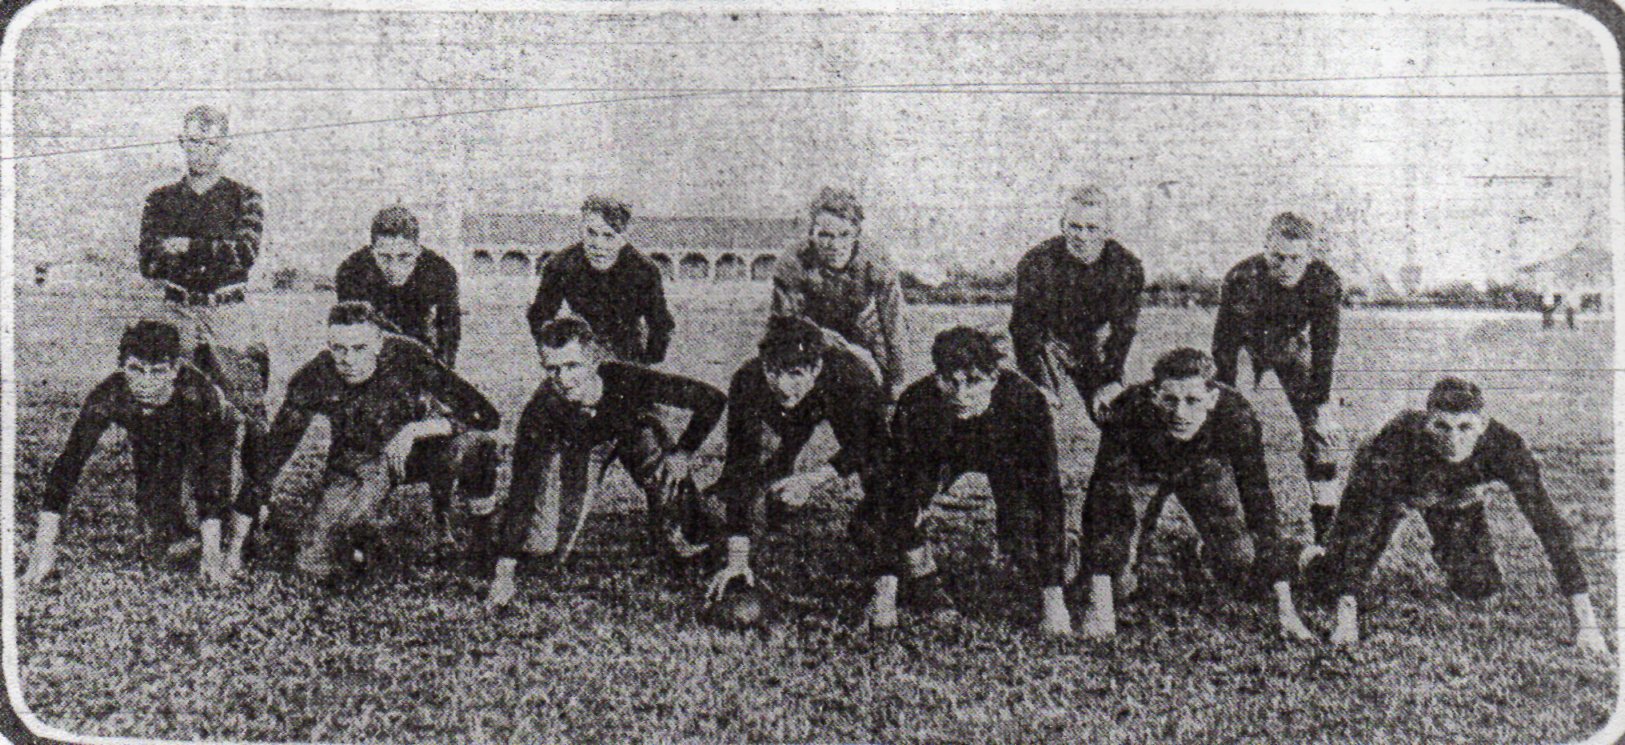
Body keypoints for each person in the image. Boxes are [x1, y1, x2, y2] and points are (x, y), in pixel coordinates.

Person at [1299, 377, 1606, 657]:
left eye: (1464, 428)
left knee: (1478, 585)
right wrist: (1347, 615)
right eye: (1442, 427)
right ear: (1427, 423)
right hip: (1395, 491)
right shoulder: (1398, 438)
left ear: (1483, 424)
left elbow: (1549, 525)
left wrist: (1586, 623)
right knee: (1328, 584)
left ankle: (1458, 549)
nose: (1453, 439)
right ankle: (1310, 555)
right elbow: (1363, 523)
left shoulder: (1505, 447)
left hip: (1454, 495)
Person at [239, 302, 500, 580]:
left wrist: (414, 431)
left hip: (418, 453)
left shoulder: (408, 355)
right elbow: (271, 457)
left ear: (379, 343)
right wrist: (234, 547)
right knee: (314, 565)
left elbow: (484, 414)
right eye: (338, 348)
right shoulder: (313, 378)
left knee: (478, 445)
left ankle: (482, 543)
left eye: (359, 348)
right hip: (357, 463)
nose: (349, 359)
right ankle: (367, 541)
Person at [486, 318, 727, 607]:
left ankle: (680, 526)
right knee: (543, 550)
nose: (563, 379)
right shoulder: (540, 412)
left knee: (657, 456)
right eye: (553, 369)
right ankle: (496, 526)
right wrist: (504, 572)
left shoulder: (626, 379)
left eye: (573, 365)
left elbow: (711, 398)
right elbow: (523, 487)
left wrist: (683, 452)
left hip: (633, 433)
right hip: (580, 450)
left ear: (594, 361)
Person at [1077, 348, 1312, 641]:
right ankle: (1127, 554)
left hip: (1203, 467)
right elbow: (1102, 502)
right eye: (1170, 400)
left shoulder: (1237, 415)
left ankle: (1204, 550)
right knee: (1117, 587)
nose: (1180, 413)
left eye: (1193, 401)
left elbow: (1260, 506)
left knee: (1243, 567)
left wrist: (1287, 612)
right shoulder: (1127, 410)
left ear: (1212, 399)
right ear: (1153, 395)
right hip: (1144, 468)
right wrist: (1099, 606)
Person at [865, 326, 1072, 636]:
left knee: (1024, 534)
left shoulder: (1027, 402)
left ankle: (1066, 555)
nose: (961, 395)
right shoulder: (917, 403)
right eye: (951, 381)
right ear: (937, 377)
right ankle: (926, 582)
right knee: (871, 520)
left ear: (994, 377)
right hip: (943, 453)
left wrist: (1055, 603)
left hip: (1004, 457)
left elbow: (1048, 494)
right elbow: (895, 491)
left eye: (973, 382)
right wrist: (885, 592)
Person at [22, 321, 252, 588]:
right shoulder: (109, 394)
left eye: (157, 372)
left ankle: (238, 538)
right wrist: (44, 545)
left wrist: (212, 555)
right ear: (121, 367)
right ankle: (184, 528)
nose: (146, 382)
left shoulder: (195, 395)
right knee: (160, 544)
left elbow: (212, 472)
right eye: (136, 370)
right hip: (155, 433)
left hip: (216, 430)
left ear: (175, 370)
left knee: (225, 501)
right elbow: (69, 464)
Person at [696, 316, 892, 608]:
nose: (784, 386)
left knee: (882, 478)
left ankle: (886, 541)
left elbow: (870, 446)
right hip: (795, 409)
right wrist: (738, 557)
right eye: (774, 371)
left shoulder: (851, 378)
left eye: (795, 373)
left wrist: (814, 479)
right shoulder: (749, 379)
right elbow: (740, 463)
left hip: (836, 393)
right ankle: (766, 509)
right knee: (745, 497)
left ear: (816, 368)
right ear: (763, 363)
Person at [1212, 211, 1345, 544]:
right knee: (1233, 427)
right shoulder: (1242, 277)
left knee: (1322, 432)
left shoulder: (1324, 281)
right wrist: (1227, 393)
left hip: (1290, 346)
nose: (1285, 266)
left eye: (1295, 258)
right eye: (1277, 257)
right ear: (1264, 249)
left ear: (1311, 255)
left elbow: (1324, 345)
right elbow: (1224, 344)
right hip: (1247, 346)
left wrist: (1322, 401)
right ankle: (1226, 520)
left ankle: (1325, 527)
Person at [1009, 185, 1144, 422]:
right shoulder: (1036, 262)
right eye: (1075, 227)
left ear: (1107, 230)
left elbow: (1123, 329)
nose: (1082, 236)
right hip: (1047, 339)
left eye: (1092, 228)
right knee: (1034, 409)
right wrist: (1038, 381)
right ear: (1062, 225)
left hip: (1093, 342)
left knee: (1114, 412)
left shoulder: (1126, 266)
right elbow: (1023, 326)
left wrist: (1111, 378)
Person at [770, 187, 908, 397]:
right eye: (825, 235)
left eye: (844, 235)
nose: (835, 245)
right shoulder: (793, 261)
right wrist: (821, 337)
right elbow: (783, 322)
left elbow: (894, 325)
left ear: (857, 234)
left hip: (860, 326)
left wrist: (897, 380)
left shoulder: (877, 261)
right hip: (810, 326)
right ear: (812, 234)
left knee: (880, 388)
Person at [527, 196, 675, 365]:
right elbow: (539, 314)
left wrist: (648, 361)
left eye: (608, 236)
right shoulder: (561, 264)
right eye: (591, 233)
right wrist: (550, 353)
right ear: (582, 227)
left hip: (628, 352)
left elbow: (661, 323)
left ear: (623, 236)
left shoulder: (644, 270)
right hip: (580, 351)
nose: (598, 244)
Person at [335, 205, 462, 368]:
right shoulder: (352, 271)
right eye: (385, 257)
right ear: (372, 251)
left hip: (420, 340)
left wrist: (440, 372)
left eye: (404, 257)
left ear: (417, 250)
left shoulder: (440, 271)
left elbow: (449, 332)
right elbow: (350, 333)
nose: (394, 268)